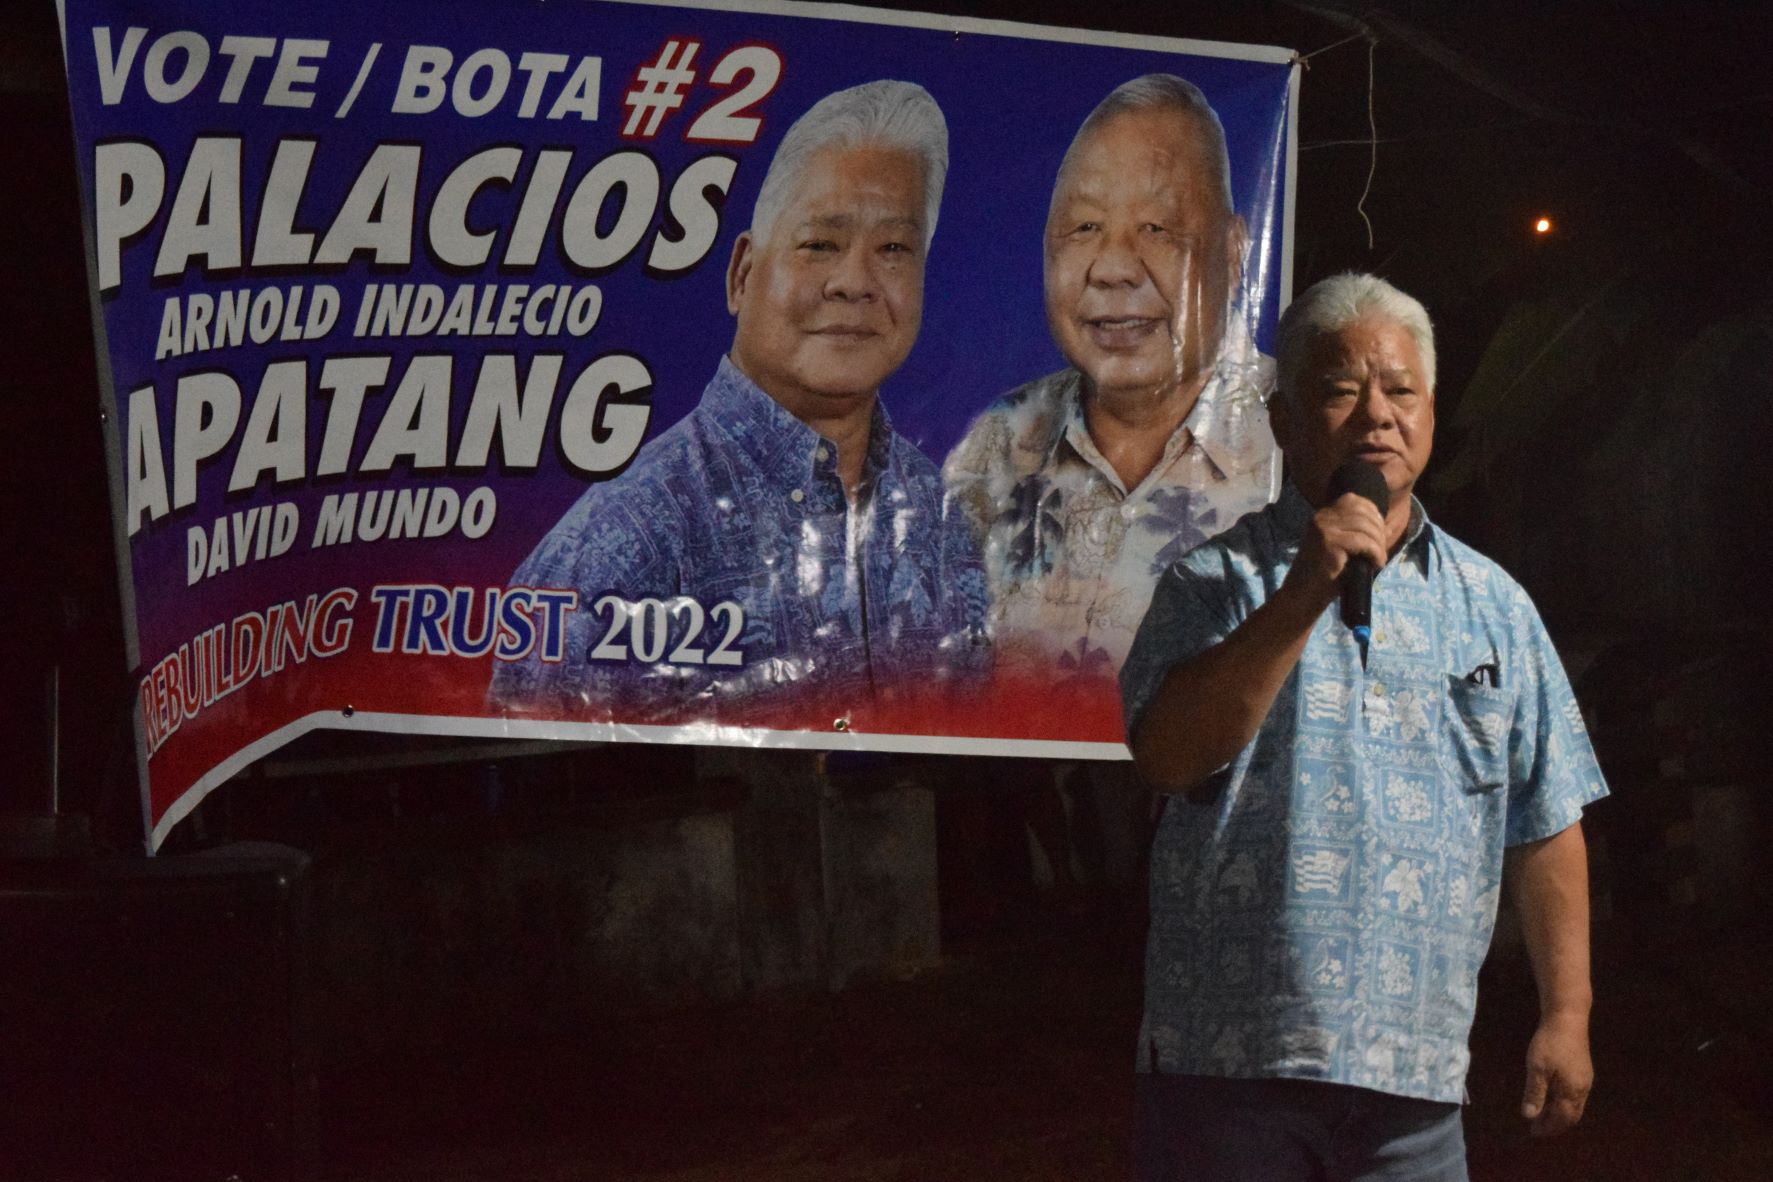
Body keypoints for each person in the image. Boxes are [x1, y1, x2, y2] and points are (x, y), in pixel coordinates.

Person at [1120, 273, 1607, 1179]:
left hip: (1414, 1086)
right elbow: (1167, 756)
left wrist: (1565, 1015)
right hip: (1228, 1067)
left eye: (1400, 389)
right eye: (1341, 389)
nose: (1375, 414)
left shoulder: (1494, 606)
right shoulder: (1210, 586)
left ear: (1429, 411)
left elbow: (1545, 823)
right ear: (1283, 420)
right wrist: (1306, 587)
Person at [490, 81, 988, 724]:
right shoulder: (617, 550)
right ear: (743, 275)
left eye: (894, 249)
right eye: (821, 244)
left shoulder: (943, 525)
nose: (856, 283)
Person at [943, 73, 1280, 705]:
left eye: (1157, 228)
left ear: (1235, 253)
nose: (1115, 268)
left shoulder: (1292, 437)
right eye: (1085, 229)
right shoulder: (1003, 438)